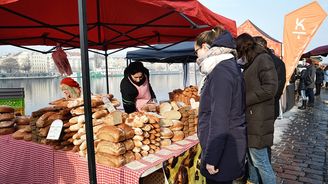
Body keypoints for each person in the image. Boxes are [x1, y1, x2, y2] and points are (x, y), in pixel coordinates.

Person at [195, 26, 247, 184]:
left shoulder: (221, 72)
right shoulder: (227, 67)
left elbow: (220, 118)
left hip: (223, 152)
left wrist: (212, 157)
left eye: (196, 51)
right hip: (228, 147)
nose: (196, 56)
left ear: (205, 47)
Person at [236, 33, 278, 184]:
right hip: (252, 118)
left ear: (243, 49)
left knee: (261, 163)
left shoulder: (263, 59)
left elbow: (270, 88)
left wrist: (244, 99)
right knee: (253, 162)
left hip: (258, 119)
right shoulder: (251, 62)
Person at [254, 36, 286, 120]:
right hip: (270, 106)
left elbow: (273, 87)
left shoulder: (264, 60)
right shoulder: (277, 61)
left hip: (263, 107)